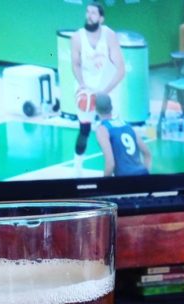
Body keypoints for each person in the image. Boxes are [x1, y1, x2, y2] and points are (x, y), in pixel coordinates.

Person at [71, 2, 125, 176]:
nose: (89, 15)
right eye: (88, 12)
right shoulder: (77, 37)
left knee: (112, 131)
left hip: (107, 90)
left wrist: (105, 92)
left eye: (93, 13)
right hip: (86, 90)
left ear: (101, 18)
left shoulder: (109, 35)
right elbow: (75, 64)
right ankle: (77, 168)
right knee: (84, 130)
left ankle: (118, 170)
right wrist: (81, 84)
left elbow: (121, 69)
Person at [94, 93, 151, 177]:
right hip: (143, 174)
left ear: (95, 109)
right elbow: (147, 154)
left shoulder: (102, 130)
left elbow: (110, 164)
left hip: (125, 179)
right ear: (111, 107)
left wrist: (104, 183)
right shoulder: (127, 125)